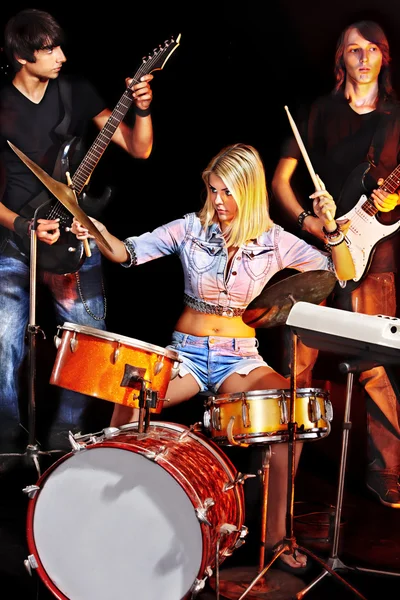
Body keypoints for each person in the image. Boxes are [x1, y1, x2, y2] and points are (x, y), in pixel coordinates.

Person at [71, 142, 355, 572]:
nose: (218, 201)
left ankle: (276, 536)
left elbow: (342, 272)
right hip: (186, 353)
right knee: (132, 397)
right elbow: (126, 252)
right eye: (213, 190)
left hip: (239, 359)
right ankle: (107, 514)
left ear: (250, 191)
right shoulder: (190, 227)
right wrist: (93, 227)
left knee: (291, 418)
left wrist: (331, 229)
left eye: (227, 192)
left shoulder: (275, 240)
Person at [0, 9, 154, 453]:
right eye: (50, 50)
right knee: (6, 347)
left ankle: (63, 441)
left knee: (86, 348)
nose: (62, 56)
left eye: (60, 46)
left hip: (75, 237)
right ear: (20, 56)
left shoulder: (76, 92)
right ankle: (9, 444)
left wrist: (142, 108)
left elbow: (139, 149)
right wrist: (22, 224)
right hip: (16, 242)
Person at [271, 20, 400, 508]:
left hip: (376, 253)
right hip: (317, 248)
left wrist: (392, 205)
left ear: (384, 57)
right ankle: (287, 474)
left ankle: (388, 471)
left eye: (372, 49)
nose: (363, 58)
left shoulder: (397, 118)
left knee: (375, 366)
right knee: (296, 364)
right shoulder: (319, 112)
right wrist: (310, 224)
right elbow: (281, 182)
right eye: (353, 50)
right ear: (341, 60)